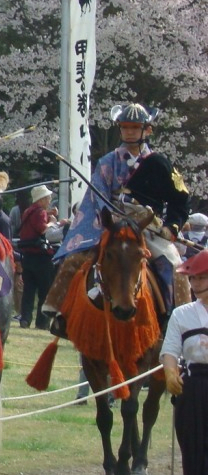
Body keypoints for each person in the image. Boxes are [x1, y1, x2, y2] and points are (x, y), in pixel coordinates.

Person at [45, 103, 190, 335]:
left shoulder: (160, 164)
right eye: (125, 127)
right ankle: (60, 311)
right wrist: (108, 218)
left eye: (135, 127)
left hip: (147, 227)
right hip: (110, 223)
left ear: (148, 130)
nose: (130, 132)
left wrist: (171, 228)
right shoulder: (106, 162)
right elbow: (98, 195)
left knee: (175, 266)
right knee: (75, 258)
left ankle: (177, 322)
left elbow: (180, 200)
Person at [160, 250, 208, 475]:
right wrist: (169, 373)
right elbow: (170, 351)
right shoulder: (182, 314)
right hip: (194, 386)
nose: (196, 282)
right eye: (194, 277)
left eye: (201, 277)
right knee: (194, 452)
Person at [17, 184, 58, 328]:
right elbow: (42, 230)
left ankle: (25, 318)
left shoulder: (28, 211)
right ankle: (42, 322)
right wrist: (53, 223)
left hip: (27, 256)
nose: (49, 199)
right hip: (41, 256)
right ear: (42, 199)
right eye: (48, 198)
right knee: (44, 290)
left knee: (29, 290)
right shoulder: (40, 212)